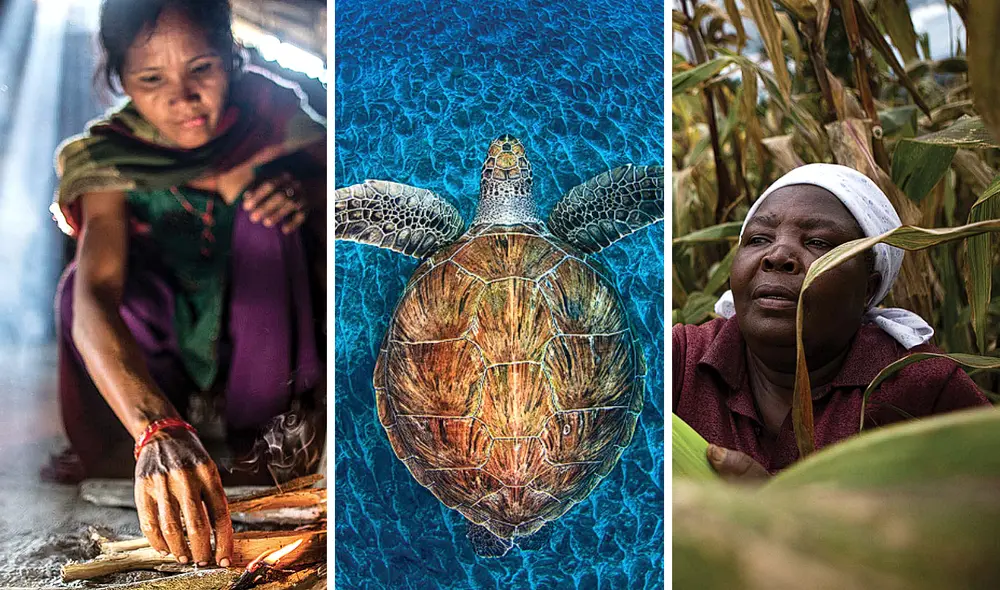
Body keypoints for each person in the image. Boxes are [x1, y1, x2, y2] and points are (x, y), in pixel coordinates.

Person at [45, 0, 326, 568]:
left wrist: (304, 192)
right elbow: (95, 295)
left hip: (258, 341)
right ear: (120, 78)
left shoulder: (272, 115)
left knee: (270, 223)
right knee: (80, 283)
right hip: (162, 350)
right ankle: (140, 440)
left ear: (232, 55)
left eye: (202, 68)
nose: (183, 98)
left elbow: (349, 191)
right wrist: (156, 426)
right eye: (151, 79)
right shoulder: (110, 154)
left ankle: (265, 441)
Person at [673, 164, 991, 481]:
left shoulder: (922, 387)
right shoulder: (678, 360)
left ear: (868, 288)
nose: (777, 255)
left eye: (818, 242)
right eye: (758, 239)